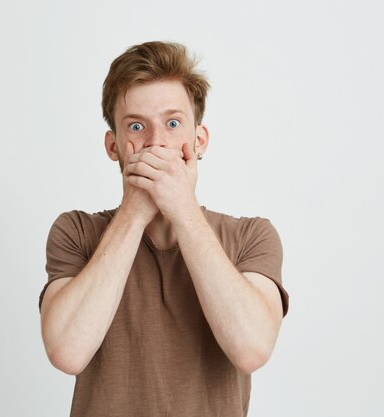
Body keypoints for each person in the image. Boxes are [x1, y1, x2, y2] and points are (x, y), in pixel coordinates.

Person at [38, 41, 289, 417]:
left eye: (173, 123)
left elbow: (251, 350)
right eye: (137, 126)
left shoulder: (251, 237)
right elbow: (67, 352)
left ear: (198, 141)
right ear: (114, 146)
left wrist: (183, 209)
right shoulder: (76, 232)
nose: (156, 141)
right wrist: (133, 214)